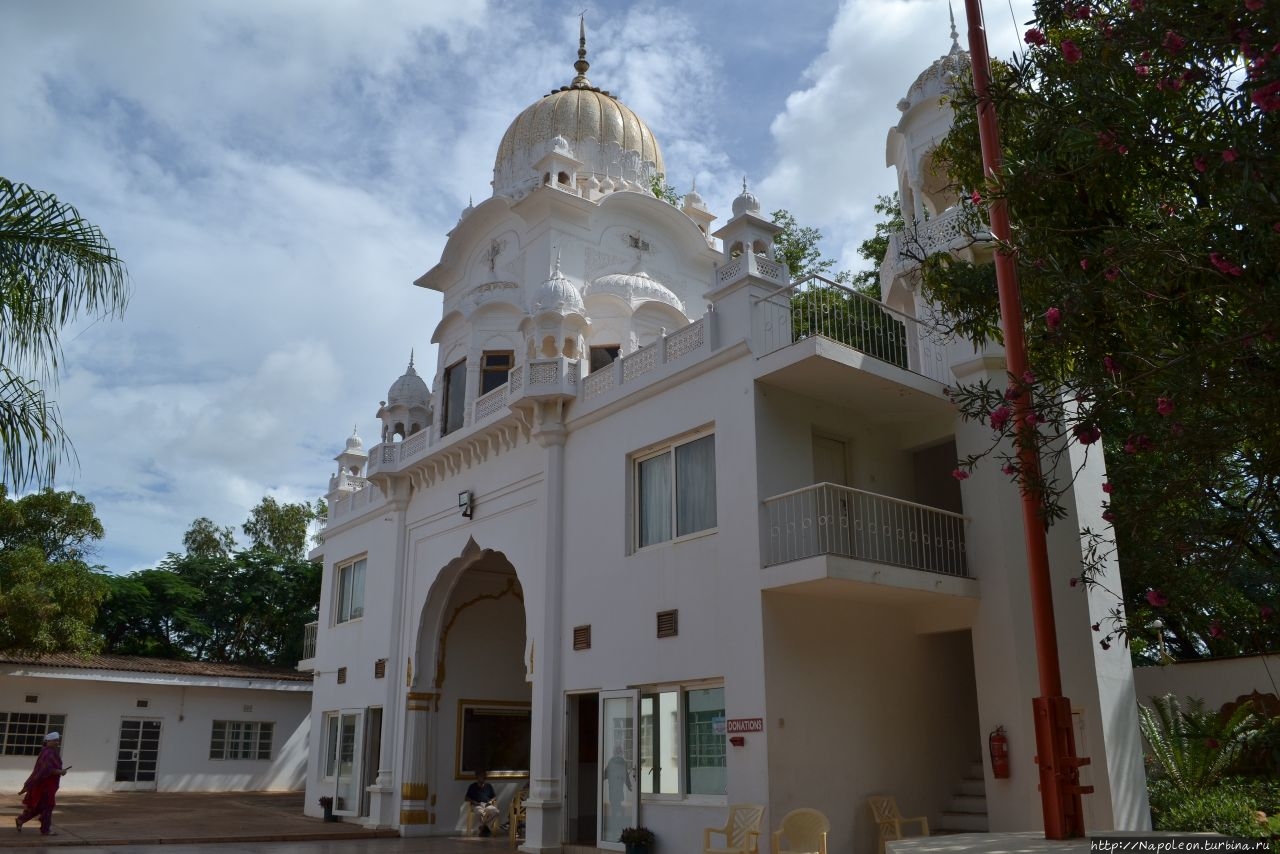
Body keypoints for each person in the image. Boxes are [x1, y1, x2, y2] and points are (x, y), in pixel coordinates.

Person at [16, 732, 68, 836]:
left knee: (40, 806)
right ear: (48, 741)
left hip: (46, 785)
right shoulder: (48, 753)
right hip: (45, 785)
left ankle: (21, 820)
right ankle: (45, 829)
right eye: (55, 740)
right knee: (48, 806)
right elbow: (46, 770)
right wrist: (60, 772)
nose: (57, 743)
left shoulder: (48, 752)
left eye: (58, 741)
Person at [465, 769, 500, 837]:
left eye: (484, 777)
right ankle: (485, 829)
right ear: (477, 777)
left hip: (487, 804)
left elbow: (494, 797)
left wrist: (490, 801)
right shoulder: (472, 786)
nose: (482, 778)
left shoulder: (488, 786)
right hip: (477, 805)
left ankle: (483, 827)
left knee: (496, 811)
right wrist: (474, 802)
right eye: (480, 776)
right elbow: (466, 798)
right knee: (481, 812)